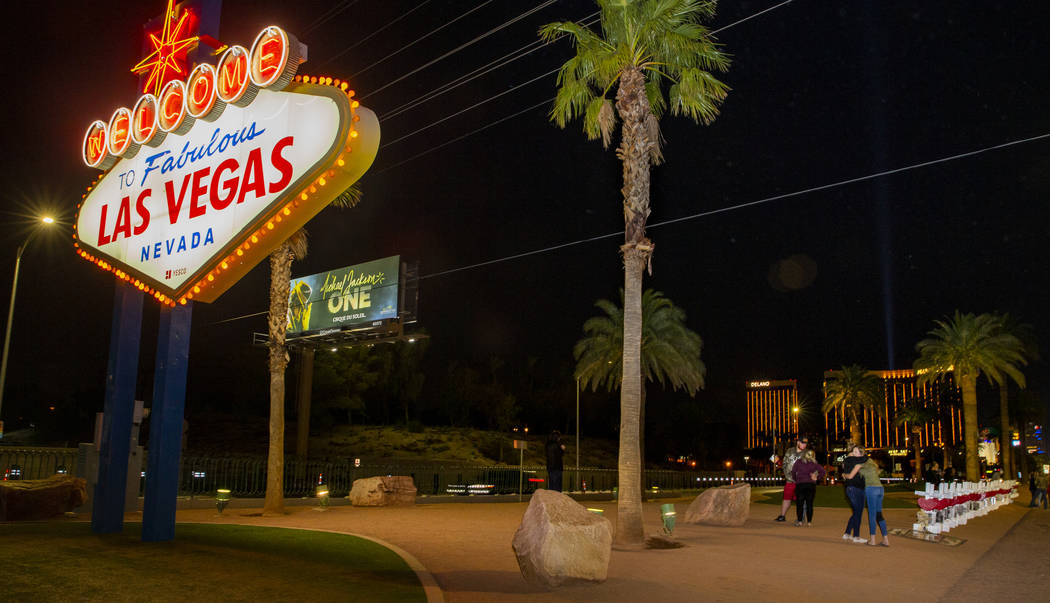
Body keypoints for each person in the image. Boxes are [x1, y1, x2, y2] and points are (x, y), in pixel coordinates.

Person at [844, 456, 889, 546]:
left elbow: (850, 476)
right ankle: (886, 540)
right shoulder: (873, 464)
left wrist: (844, 475)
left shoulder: (860, 464)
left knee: (872, 515)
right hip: (880, 488)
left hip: (871, 489)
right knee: (879, 514)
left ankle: (872, 540)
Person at [776, 436, 808, 522]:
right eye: (802, 443)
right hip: (790, 480)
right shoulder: (790, 451)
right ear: (798, 442)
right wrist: (786, 474)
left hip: (801, 481)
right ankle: (782, 516)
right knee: (786, 498)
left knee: (801, 499)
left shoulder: (807, 453)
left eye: (805, 443)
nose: (804, 445)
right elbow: (784, 463)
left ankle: (801, 518)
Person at [840, 445, 868, 543]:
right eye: (854, 451)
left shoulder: (851, 460)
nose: (854, 453)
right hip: (854, 488)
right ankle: (856, 536)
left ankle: (847, 533)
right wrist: (854, 455)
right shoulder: (853, 460)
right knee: (858, 513)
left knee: (857, 512)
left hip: (858, 488)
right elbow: (865, 458)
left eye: (857, 452)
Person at [790, 449, 826, 526]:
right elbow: (823, 472)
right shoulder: (814, 463)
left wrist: (796, 479)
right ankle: (809, 522)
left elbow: (793, 472)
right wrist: (817, 477)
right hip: (810, 485)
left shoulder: (799, 462)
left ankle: (800, 521)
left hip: (800, 484)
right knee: (809, 504)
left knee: (800, 504)